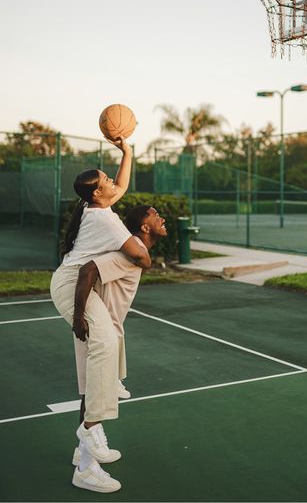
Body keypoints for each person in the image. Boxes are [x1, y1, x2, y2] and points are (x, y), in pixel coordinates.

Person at [50, 139, 151, 493]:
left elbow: (122, 186)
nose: (113, 183)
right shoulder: (105, 220)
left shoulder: (100, 210)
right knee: (105, 342)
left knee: (101, 354)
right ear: (96, 194)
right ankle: (89, 433)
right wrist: (78, 316)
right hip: (71, 287)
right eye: (106, 180)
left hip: (81, 287)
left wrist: (126, 152)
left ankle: (85, 453)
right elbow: (138, 254)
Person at [71, 205, 167, 472]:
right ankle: (87, 468)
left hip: (109, 329)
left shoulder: (137, 251)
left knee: (94, 392)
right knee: (96, 396)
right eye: (155, 215)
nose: (162, 218)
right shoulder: (132, 250)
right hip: (97, 330)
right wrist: (79, 318)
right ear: (145, 227)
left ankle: (82, 454)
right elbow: (88, 270)